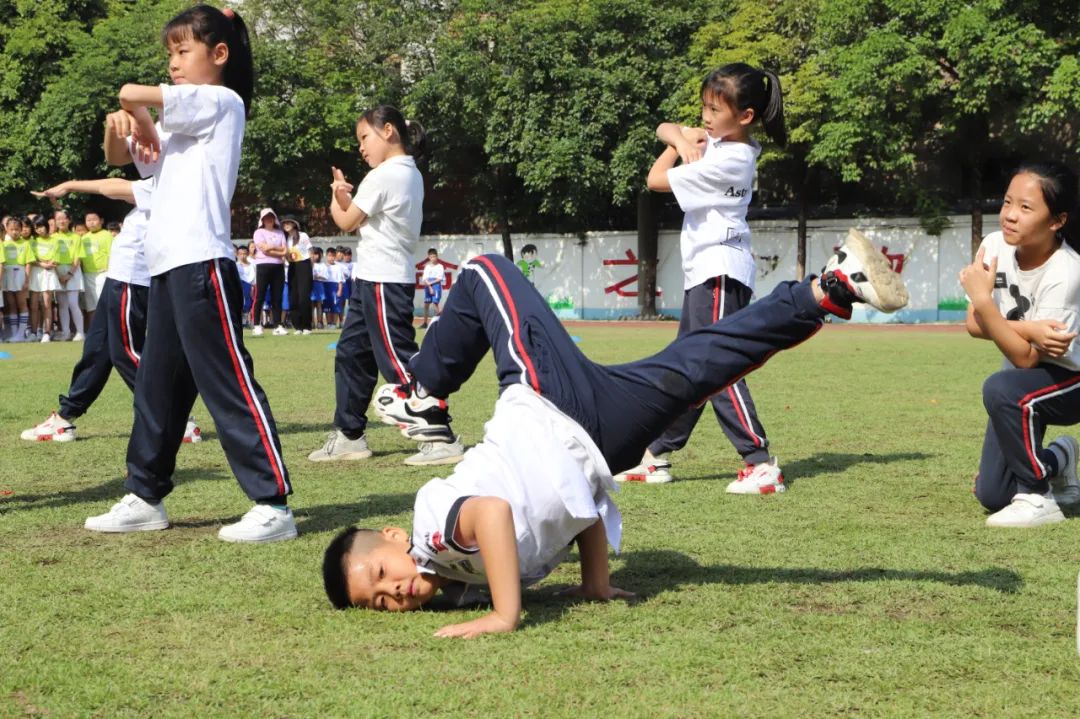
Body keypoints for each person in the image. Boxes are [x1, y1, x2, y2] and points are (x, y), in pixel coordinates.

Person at [321, 233, 909, 636]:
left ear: (394, 538)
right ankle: (830, 287)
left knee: (482, 270)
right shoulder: (461, 583)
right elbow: (574, 510)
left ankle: (421, 389)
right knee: (702, 362)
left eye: (380, 575)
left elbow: (494, 515)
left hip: (545, 400)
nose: (393, 592)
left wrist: (505, 616)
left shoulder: (431, 527)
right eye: (379, 602)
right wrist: (596, 585)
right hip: (603, 443)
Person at [84, 4, 294, 543]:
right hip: (168, 267)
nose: (174, 63)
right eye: (170, 54)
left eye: (183, 51)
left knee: (228, 382)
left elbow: (133, 92)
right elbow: (123, 152)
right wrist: (131, 123)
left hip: (202, 263)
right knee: (157, 388)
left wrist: (136, 107)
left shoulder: (223, 102)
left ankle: (272, 504)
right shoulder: (184, 129)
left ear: (218, 54)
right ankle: (145, 494)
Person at [617, 64, 789, 493]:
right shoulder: (719, 140)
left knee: (714, 365)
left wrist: (681, 141)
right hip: (708, 269)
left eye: (715, 109)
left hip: (720, 270)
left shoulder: (731, 159)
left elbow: (655, 179)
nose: (706, 117)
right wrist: (679, 136)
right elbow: (664, 127)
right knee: (690, 365)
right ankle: (657, 454)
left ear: (745, 116)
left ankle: (759, 460)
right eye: (704, 108)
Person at [308, 105, 464, 466]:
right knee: (352, 353)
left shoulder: (385, 174)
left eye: (365, 137)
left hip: (383, 280)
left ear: (389, 131)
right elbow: (362, 217)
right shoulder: (407, 172)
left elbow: (346, 221)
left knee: (398, 360)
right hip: (376, 279)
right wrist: (347, 197)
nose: (361, 147)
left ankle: (439, 434)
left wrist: (336, 192)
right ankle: (349, 434)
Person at [21, 177, 202, 444]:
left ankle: (176, 418)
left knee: (126, 353)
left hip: (132, 280)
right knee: (97, 350)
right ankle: (65, 417)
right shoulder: (162, 183)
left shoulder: (168, 183)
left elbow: (112, 186)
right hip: (118, 279)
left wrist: (69, 185)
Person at [961, 162, 1080, 528]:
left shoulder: (1067, 272)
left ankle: (1037, 495)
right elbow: (972, 324)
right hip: (1026, 380)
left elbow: (1026, 359)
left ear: (1057, 221)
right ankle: (1060, 457)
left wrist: (985, 303)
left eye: (1026, 208)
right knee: (992, 495)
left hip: (1071, 381)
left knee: (1002, 386)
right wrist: (1028, 327)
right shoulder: (994, 245)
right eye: (1007, 202)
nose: (1010, 215)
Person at [251, 207, 287, 336]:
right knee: (260, 295)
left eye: (271, 217)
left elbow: (285, 251)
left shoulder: (280, 232)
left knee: (277, 297)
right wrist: (277, 250)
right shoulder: (258, 232)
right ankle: (256, 324)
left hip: (278, 267)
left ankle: (277, 325)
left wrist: (272, 248)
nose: (269, 220)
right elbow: (264, 249)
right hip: (263, 266)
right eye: (266, 218)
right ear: (262, 220)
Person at [53, 210, 85, 341]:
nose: (61, 221)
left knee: (73, 303)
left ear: (69, 220)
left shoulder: (76, 237)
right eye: (58, 219)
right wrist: (58, 274)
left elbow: (78, 257)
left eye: (64, 218)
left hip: (73, 271)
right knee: (62, 304)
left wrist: (69, 274)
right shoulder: (52, 237)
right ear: (55, 221)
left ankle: (80, 332)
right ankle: (65, 332)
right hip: (57, 270)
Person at [76, 211, 112, 329]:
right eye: (88, 220)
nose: (91, 223)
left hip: (103, 273)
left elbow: (112, 254)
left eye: (94, 219)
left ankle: (106, 330)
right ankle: (94, 330)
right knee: (90, 305)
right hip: (87, 274)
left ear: (101, 221)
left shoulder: (107, 235)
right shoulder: (84, 238)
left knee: (103, 303)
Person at [28, 217, 59, 342]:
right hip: (36, 272)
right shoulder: (32, 241)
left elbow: (56, 256)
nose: (39, 230)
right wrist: (42, 264)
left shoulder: (55, 240)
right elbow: (31, 258)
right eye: (36, 228)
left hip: (49, 272)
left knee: (47, 303)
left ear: (46, 225)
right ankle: (34, 332)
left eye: (40, 226)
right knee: (34, 304)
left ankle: (46, 332)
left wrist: (49, 264)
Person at [3, 216, 32, 342]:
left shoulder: (25, 244)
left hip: (19, 273)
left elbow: (28, 263)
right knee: (11, 304)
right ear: (7, 230)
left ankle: (21, 334)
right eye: (11, 229)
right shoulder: (3, 244)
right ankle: (14, 333)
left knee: (21, 303)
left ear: (21, 230)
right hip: (6, 274)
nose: (14, 232)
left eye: (17, 229)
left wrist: (26, 280)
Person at [283, 214, 313, 334]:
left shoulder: (303, 235)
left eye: (288, 223)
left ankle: (307, 326)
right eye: (284, 224)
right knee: (293, 296)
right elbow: (285, 255)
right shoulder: (286, 239)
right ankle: (297, 326)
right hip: (292, 266)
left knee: (304, 296)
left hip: (304, 265)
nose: (286, 225)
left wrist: (311, 269)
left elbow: (310, 252)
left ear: (294, 224)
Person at [420, 247, 443, 329]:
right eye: (431, 256)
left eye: (434, 256)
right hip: (428, 286)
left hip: (436, 286)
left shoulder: (440, 266)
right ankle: (425, 323)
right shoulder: (427, 267)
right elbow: (424, 278)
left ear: (437, 256)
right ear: (428, 257)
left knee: (435, 303)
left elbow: (439, 278)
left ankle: (441, 322)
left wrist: (431, 285)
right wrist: (429, 286)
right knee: (426, 304)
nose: (432, 258)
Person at [235, 243, 256, 327]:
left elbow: (254, 277)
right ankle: (240, 321)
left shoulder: (252, 265)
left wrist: (253, 286)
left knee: (249, 303)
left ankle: (248, 321)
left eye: (244, 254)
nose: (242, 256)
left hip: (249, 285)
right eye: (240, 254)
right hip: (239, 285)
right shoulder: (235, 265)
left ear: (247, 254)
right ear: (237, 254)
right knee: (240, 303)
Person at [322, 247, 342, 329]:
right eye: (329, 256)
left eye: (333, 256)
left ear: (335, 257)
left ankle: (334, 323)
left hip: (334, 287)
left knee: (335, 306)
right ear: (326, 256)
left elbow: (340, 280)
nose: (331, 258)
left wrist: (339, 290)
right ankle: (328, 323)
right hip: (325, 287)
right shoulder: (323, 266)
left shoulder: (338, 267)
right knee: (327, 306)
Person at [310, 246, 326, 328]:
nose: (314, 256)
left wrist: (317, 277)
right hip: (311, 285)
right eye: (313, 254)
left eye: (316, 254)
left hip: (319, 285)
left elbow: (325, 277)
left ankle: (320, 322)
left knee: (319, 305)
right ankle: (312, 322)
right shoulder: (309, 264)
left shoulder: (322, 265)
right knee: (311, 305)